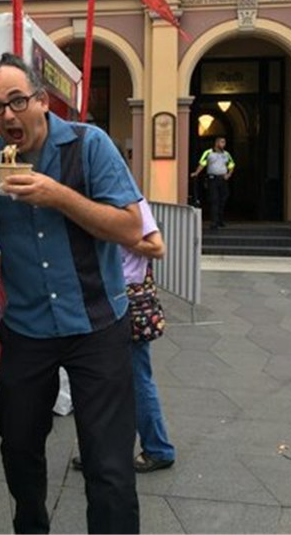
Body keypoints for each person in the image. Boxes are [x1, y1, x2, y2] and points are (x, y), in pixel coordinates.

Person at [0, 53, 143, 534]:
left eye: (17, 101)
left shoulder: (89, 145)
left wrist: (56, 194)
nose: (7, 115)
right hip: (27, 328)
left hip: (98, 324)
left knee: (108, 466)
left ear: (42, 101)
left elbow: (129, 227)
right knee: (18, 448)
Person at [72, 198, 176, 473]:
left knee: (136, 377)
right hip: (100, 297)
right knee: (102, 380)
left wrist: (117, 233)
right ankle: (102, 449)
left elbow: (157, 247)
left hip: (126, 299)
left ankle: (158, 447)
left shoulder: (132, 202)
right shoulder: (89, 200)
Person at [190, 136, 235, 229]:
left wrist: (229, 174)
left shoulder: (226, 154)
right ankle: (214, 222)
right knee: (214, 200)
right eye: (222, 142)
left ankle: (220, 220)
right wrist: (196, 173)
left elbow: (231, 164)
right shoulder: (208, 153)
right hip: (212, 179)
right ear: (216, 143)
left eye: (224, 142)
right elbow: (202, 163)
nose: (223, 144)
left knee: (223, 199)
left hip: (223, 179)